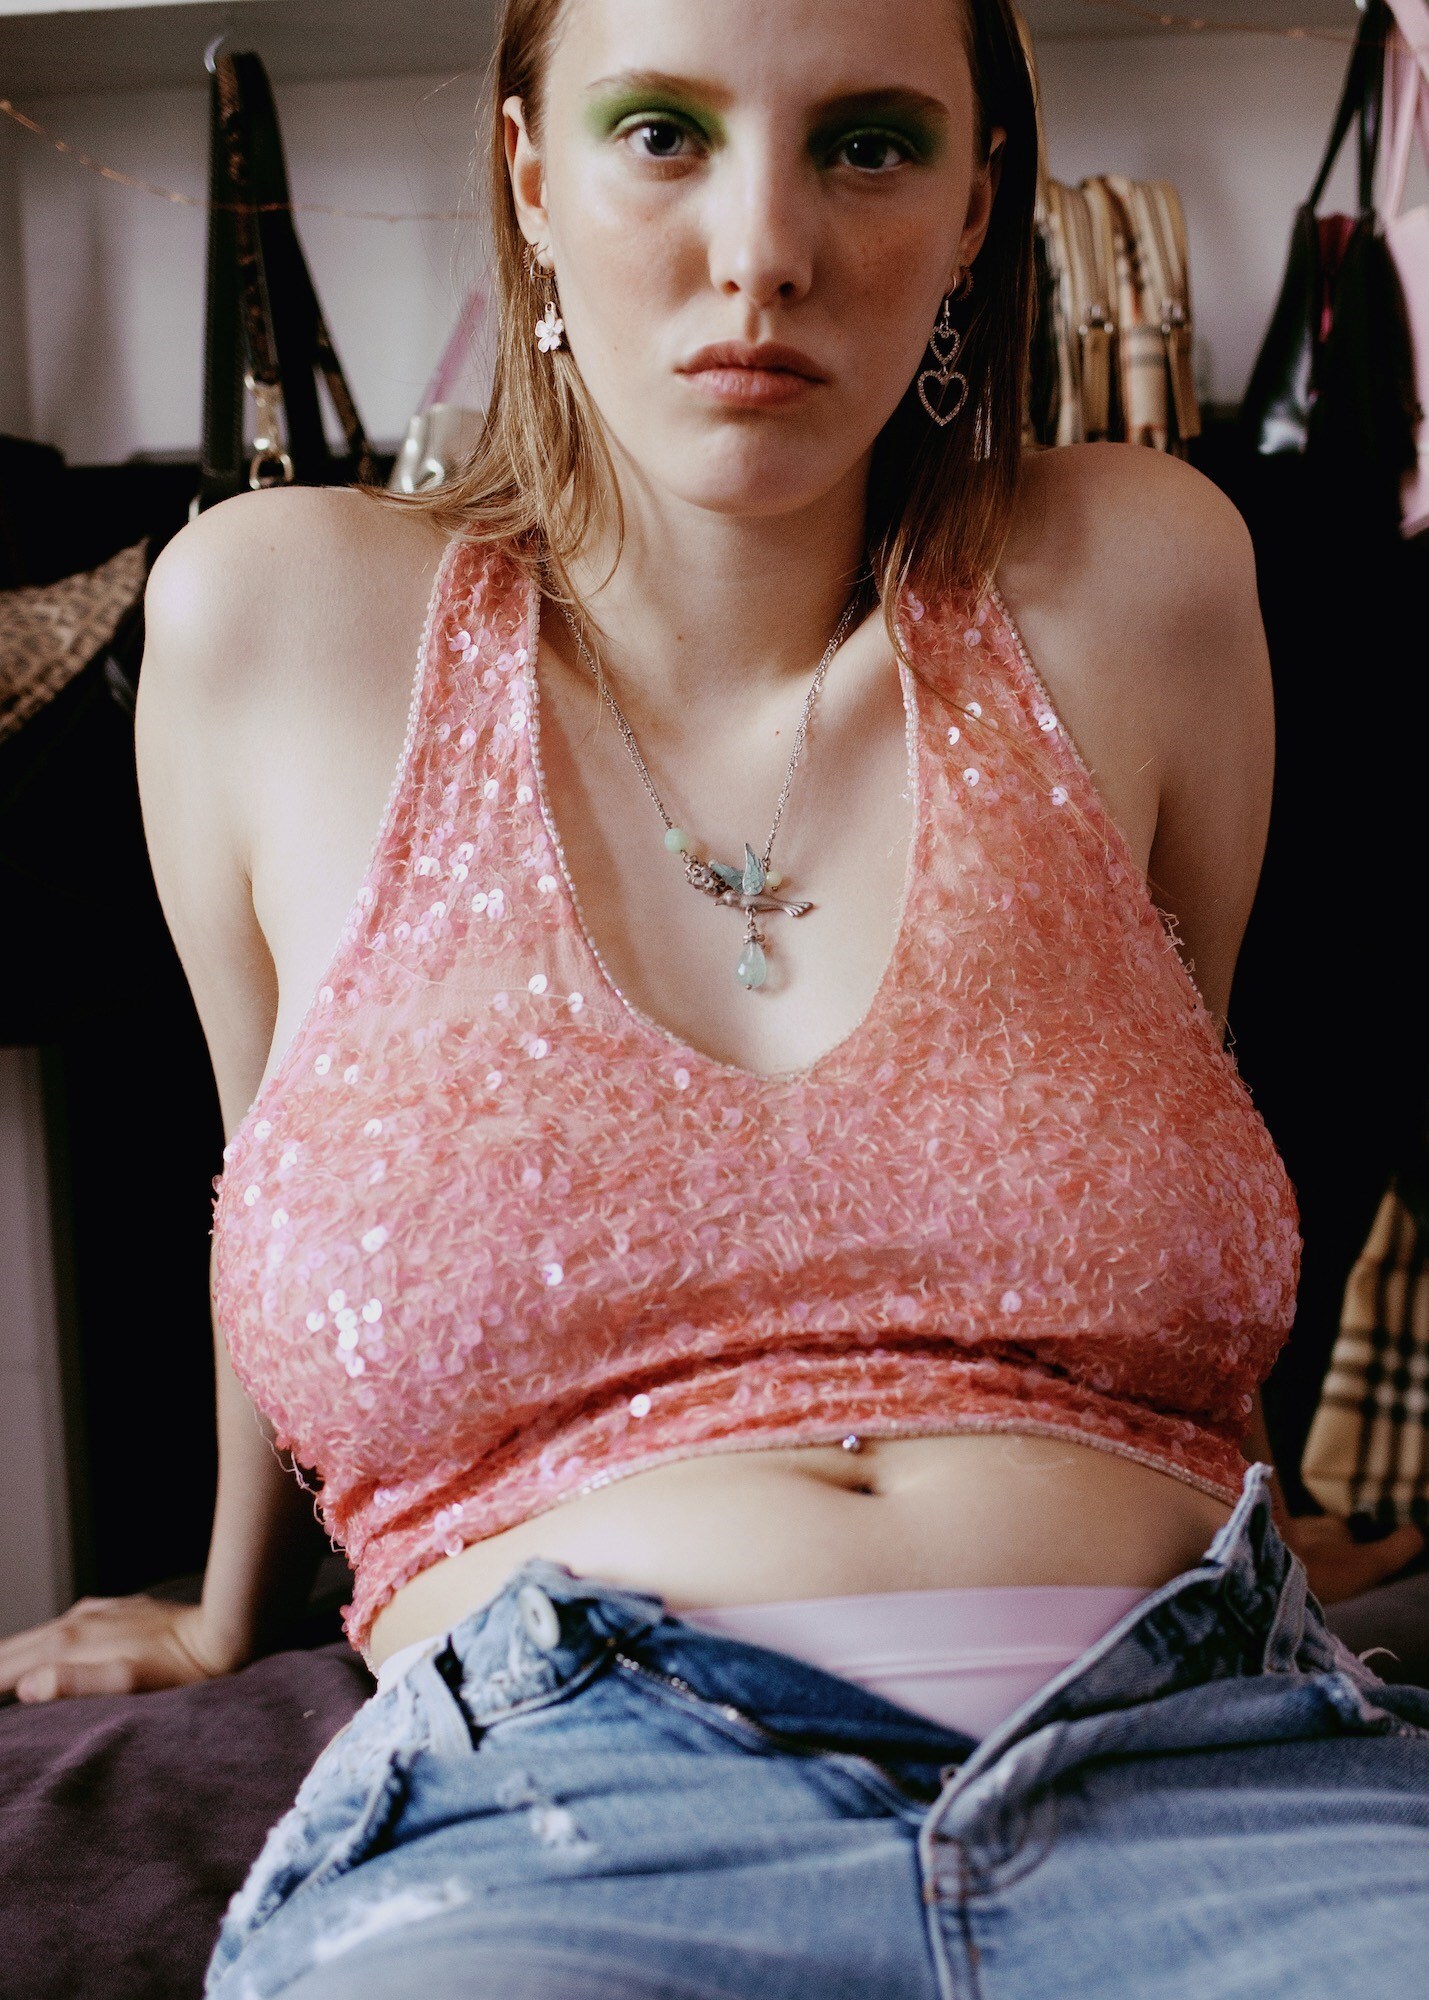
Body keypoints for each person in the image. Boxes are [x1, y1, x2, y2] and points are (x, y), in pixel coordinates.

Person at [5, 0, 1428, 1993]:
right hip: (555, 1792)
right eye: (662, 132)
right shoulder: (276, 616)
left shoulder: (1143, 579)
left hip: (1209, 1749)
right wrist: (223, 1609)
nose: (763, 250)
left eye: (868, 145)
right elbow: (273, 1167)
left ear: (974, 207)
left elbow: (1191, 1166)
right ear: (529, 176)